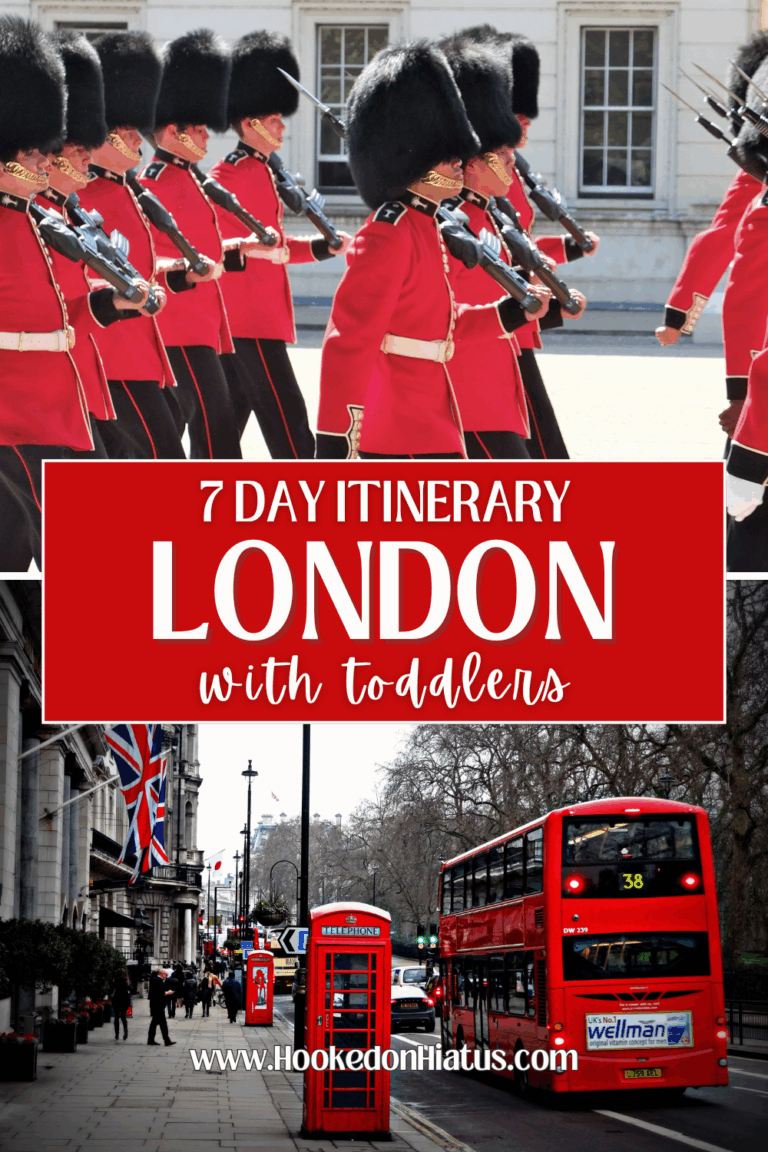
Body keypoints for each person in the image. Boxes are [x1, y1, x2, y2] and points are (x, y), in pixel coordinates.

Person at [315, 41, 544, 460]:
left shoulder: (427, 226)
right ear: (414, 160)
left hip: (436, 420)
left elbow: (442, 322)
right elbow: (349, 341)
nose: (460, 162)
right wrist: (337, 438)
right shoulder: (388, 234)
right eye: (447, 156)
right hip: (397, 430)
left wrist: (509, 313)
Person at [212, 31, 351, 458]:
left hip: (257, 318)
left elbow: (277, 246)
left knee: (222, 434)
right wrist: (251, 246)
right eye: (274, 120)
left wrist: (323, 247)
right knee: (289, 428)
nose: (282, 128)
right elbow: (216, 246)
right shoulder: (226, 178)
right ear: (250, 124)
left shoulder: (265, 172)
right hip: (246, 320)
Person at [0, 16, 95, 570]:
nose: (44, 162)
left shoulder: (35, 217)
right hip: (12, 408)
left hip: (53, 403)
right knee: (28, 554)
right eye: (32, 155)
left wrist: (112, 304)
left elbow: (60, 316)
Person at [440, 34, 558, 459]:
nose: (513, 162)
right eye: (502, 155)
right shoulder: (454, 222)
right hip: (471, 384)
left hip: (498, 370)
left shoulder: (489, 214)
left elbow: (513, 272)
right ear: (473, 163)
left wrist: (553, 301)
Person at [140, 28, 244, 460]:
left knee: (195, 432)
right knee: (216, 429)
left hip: (203, 325)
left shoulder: (191, 178)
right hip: (178, 327)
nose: (206, 137)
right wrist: (186, 273)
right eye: (197, 130)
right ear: (172, 131)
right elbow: (143, 255)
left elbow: (201, 243)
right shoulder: (155, 182)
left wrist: (235, 250)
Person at [80, 31, 183, 461]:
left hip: (141, 351)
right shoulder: (83, 196)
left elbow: (137, 263)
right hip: (113, 356)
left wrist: (176, 271)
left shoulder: (127, 190)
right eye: (129, 131)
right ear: (107, 135)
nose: (141, 139)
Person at [147, 968, 176, 1046]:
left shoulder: (156, 980)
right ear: (161, 974)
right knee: (162, 1023)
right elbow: (159, 993)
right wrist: (168, 992)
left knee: (155, 1023)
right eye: (166, 975)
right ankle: (166, 1040)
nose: (166, 976)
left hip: (156, 1005)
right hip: (158, 1005)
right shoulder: (158, 980)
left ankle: (151, 1039)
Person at [110, 969, 132, 1041]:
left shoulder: (116, 980)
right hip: (124, 1000)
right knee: (123, 1017)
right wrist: (128, 984)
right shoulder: (126, 981)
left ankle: (117, 1034)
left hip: (116, 1000)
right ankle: (125, 1029)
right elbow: (132, 990)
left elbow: (111, 990)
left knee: (116, 1017)